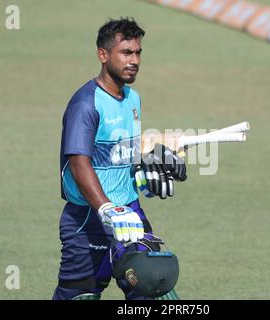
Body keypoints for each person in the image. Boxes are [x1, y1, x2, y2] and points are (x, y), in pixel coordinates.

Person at [53, 17, 187, 300]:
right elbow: (79, 162)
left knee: (153, 285)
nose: (134, 60)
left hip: (130, 212)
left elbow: (121, 153)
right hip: (88, 219)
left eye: (138, 52)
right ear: (103, 55)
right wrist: (106, 208)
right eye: (126, 53)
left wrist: (146, 169)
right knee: (80, 296)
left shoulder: (132, 99)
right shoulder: (86, 104)